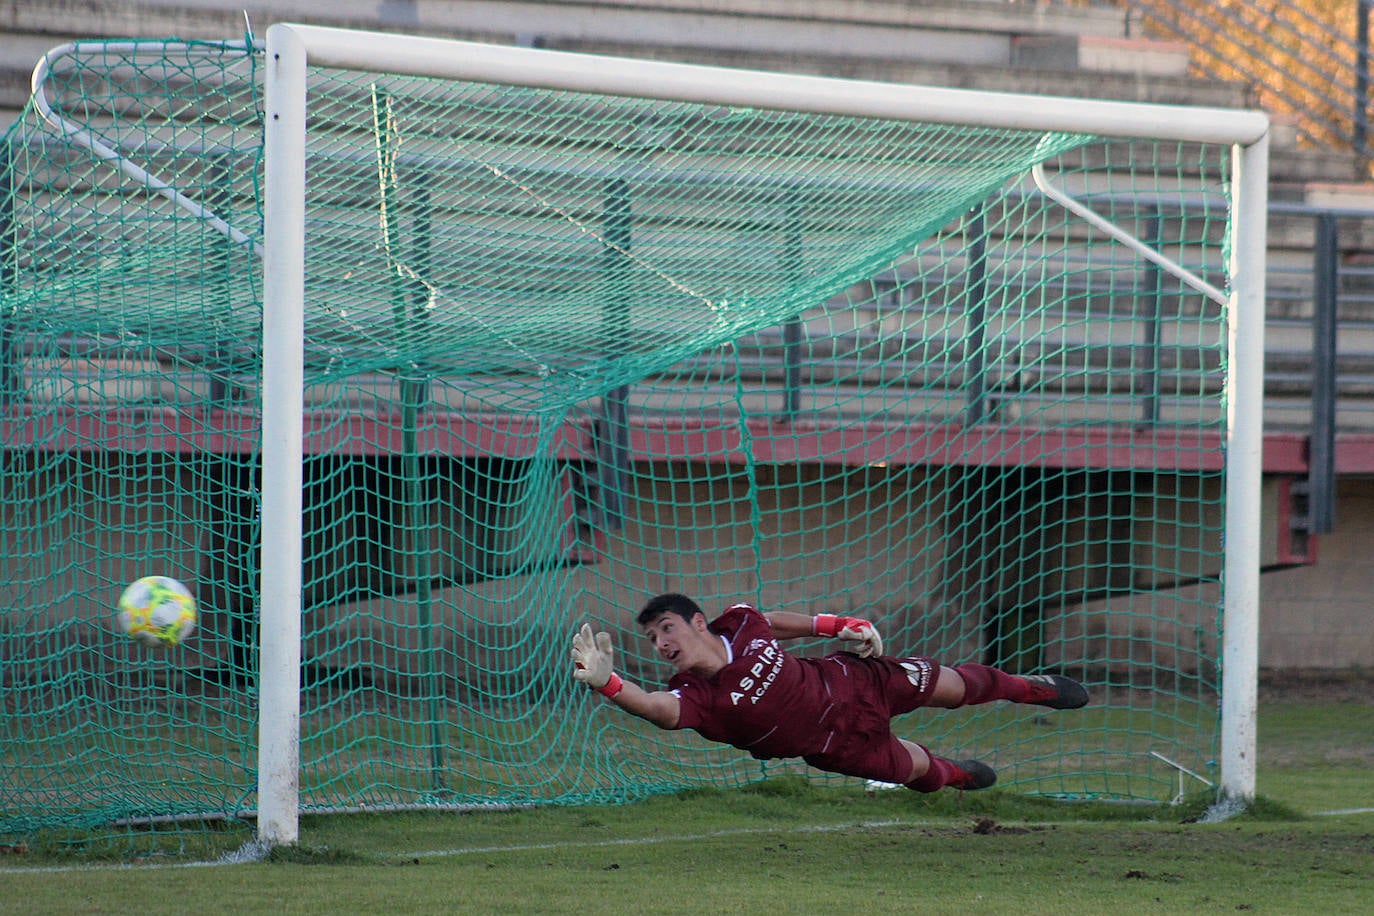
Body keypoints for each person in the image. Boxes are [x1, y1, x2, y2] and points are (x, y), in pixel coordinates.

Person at [570, 592, 1088, 793]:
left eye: (666, 629)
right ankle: (954, 774)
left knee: (955, 685)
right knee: (918, 771)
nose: (661, 643)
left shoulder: (742, 624)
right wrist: (608, 684)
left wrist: (837, 624)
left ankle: (1029, 689)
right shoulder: (692, 693)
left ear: (698, 622)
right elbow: (659, 711)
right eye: (652, 638)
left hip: (856, 681)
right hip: (837, 746)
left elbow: (773, 621)